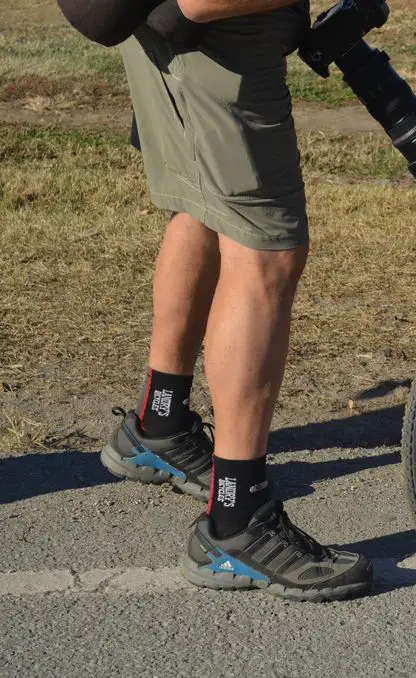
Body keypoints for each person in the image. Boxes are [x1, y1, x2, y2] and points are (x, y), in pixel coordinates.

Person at [92, 0, 373, 599]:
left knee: (203, 208)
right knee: (265, 254)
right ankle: (236, 521)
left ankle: (160, 421)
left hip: (183, 31)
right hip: (218, 37)